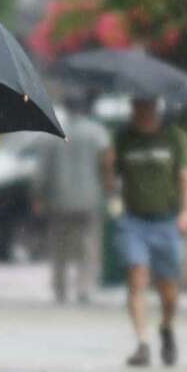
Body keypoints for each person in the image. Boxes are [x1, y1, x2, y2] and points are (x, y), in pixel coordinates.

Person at [104, 95, 187, 368]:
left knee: (168, 291)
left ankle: (166, 327)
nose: (140, 111)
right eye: (136, 105)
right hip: (133, 220)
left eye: (145, 105)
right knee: (136, 276)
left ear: (155, 107)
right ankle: (143, 343)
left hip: (167, 221)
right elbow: (111, 187)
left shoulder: (175, 138)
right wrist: (108, 166)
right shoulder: (123, 138)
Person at [34, 91, 111, 304]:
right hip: (90, 197)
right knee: (88, 245)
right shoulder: (97, 132)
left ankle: (60, 288)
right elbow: (106, 163)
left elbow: (43, 170)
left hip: (59, 198)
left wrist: (39, 196)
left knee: (59, 245)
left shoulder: (53, 133)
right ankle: (83, 288)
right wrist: (109, 188)